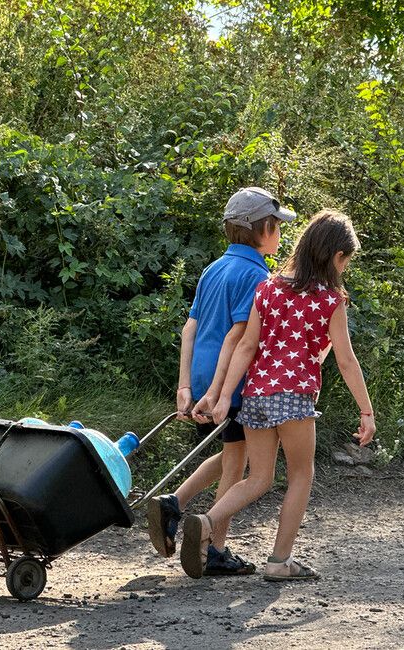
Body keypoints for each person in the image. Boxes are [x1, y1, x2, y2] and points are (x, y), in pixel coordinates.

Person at [180, 209, 376, 581]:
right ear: (336, 257)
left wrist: (222, 396)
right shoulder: (330, 300)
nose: (345, 269)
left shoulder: (266, 288)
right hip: (294, 398)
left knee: (259, 478)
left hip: (255, 394)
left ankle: (206, 521)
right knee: (301, 474)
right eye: (346, 261)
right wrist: (366, 411)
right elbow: (347, 362)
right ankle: (279, 561)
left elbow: (245, 347)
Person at [146, 187, 295, 576]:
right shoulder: (257, 275)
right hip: (230, 379)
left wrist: (185, 386)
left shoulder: (214, 268)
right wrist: (219, 391)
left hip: (200, 373)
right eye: (278, 226)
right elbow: (238, 338)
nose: (281, 233)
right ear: (262, 229)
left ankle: (174, 504)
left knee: (235, 452)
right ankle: (214, 548)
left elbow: (189, 328)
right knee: (235, 465)